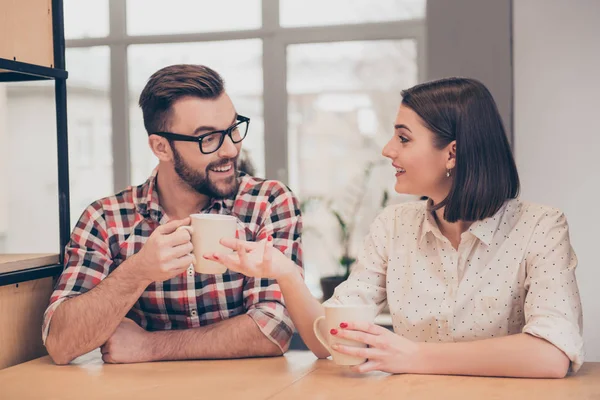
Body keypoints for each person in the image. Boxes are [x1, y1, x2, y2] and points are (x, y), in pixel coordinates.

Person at [206, 77, 584, 378]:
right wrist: (284, 272)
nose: (388, 150)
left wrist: (415, 356)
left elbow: (550, 355)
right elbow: (332, 342)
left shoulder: (541, 227)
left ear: (451, 152)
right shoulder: (393, 226)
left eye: (403, 138)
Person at [43, 64, 303, 365]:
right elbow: (61, 344)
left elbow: (274, 328)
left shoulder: (267, 202)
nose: (231, 149)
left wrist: (149, 347)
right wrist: (138, 271)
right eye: (208, 138)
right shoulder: (106, 219)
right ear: (161, 147)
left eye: (233, 129)